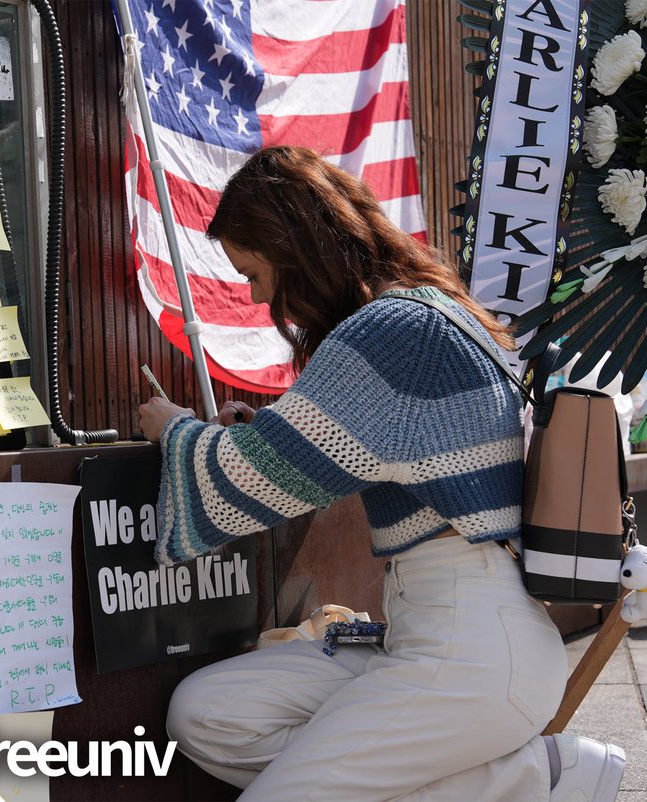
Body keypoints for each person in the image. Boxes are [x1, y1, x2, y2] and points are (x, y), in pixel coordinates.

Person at [137, 146, 626, 802]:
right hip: (448, 630)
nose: (256, 297)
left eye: (255, 272)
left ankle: (537, 779)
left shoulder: (391, 332)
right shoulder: (422, 312)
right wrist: (264, 436)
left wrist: (171, 427)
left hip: (468, 646)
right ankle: (505, 782)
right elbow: (348, 448)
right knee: (207, 716)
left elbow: (245, 487)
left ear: (295, 249)